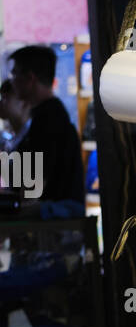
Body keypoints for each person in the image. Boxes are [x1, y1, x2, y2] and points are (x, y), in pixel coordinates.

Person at [8, 46, 85, 214]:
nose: (12, 81)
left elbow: (36, 181)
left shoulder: (49, 118)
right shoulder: (44, 116)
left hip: (54, 219)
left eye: (15, 74)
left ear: (30, 78)